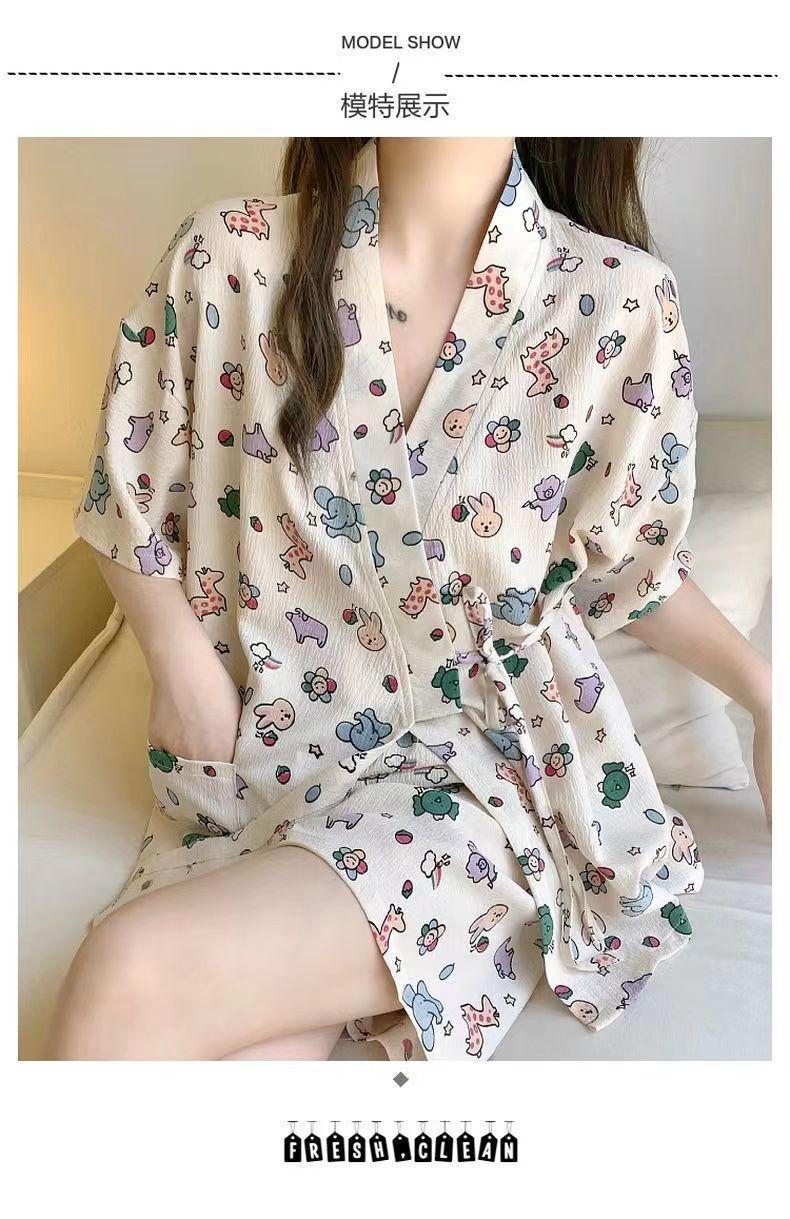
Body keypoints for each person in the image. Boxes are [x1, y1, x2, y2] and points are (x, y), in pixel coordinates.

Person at [48, 137, 771, 1061]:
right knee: (246, 1059)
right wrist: (179, 662)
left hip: (482, 779)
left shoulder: (620, 299)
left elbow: (631, 571)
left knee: (128, 971)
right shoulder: (228, 257)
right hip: (261, 756)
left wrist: (766, 693)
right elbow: (127, 492)